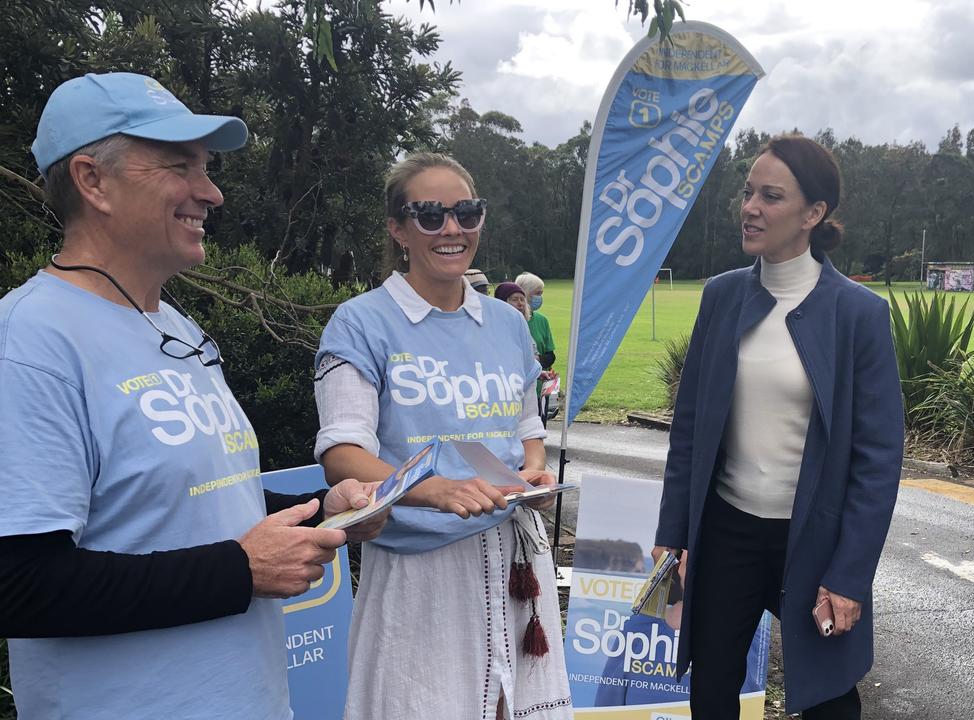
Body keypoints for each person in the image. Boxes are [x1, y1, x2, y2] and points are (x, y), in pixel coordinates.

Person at [0, 72, 389, 720]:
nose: (211, 192)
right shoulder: (30, 342)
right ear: (92, 180)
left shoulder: (176, 327)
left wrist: (326, 510)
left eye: (207, 169)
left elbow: (197, 501)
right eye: (180, 166)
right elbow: (19, 584)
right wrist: (238, 571)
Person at [313, 152, 573, 719]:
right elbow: (342, 453)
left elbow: (527, 425)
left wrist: (531, 467)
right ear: (397, 228)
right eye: (429, 215)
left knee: (514, 704)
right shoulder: (360, 323)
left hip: (513, 552)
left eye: (466, 212)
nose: (451, 229)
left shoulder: (508, 322)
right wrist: (435, 490)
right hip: (419, 567)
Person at [652, 135, 904, 719]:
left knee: (828, 698)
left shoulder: (857, 314)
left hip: (814, 540)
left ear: (812, 214)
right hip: (726, 533)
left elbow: (878, 458)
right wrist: (673, 536)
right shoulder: (721, 297)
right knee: (711, 689)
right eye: (748, 193)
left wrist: (848, 574)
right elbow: (688, 429)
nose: (751, 207)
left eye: (771, 195)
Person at [515, 271, 556, 373]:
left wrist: (537, 361)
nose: (540, 298)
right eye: (537, 293)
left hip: (541, 381)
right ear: (526, 293)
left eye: (541, 294)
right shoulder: (511, 320)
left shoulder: (542, 320)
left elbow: (550, 355)